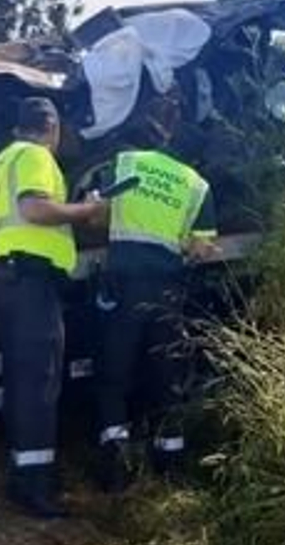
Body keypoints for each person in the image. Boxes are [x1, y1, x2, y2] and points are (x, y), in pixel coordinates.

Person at [0, 97, 107, 518]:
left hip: (7, 278)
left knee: (21, 382)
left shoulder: (2, 160)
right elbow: (35, 210)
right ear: (50, 127)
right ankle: (35, 488)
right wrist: (87, 209)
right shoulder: (35, 155)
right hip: (30, 283)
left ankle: (24, 473)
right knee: (39, 385)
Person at [89, 103, 218, 493]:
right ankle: (170, 464)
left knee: (114, 374)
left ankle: (116, 466)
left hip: (123, 285)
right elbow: (199, 249)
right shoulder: (197, 184)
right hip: (166, 288)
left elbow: (96, 215)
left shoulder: (127, 163)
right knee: (167, 375)